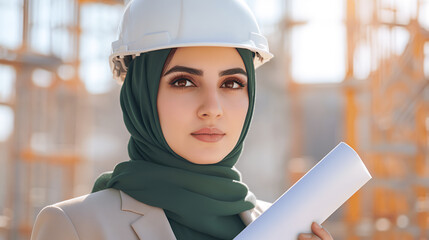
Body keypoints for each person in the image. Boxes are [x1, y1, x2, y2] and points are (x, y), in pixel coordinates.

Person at [31, 0, 334, 239]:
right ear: (141, 96)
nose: (212, 108)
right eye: (184, 82)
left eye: (231, 84)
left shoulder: (284, 229)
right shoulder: (76, 227)